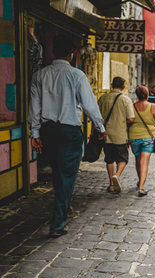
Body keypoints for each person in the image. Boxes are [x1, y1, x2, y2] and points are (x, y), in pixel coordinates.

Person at [28, 34, 105, 237]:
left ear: (53, 52)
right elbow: (89, 105)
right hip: (69, 131)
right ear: (71, 54)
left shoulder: (39, 75)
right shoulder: (76, 75)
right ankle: (58, 223)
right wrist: (100, 128)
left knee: (57, 172)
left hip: (48, 130)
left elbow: (34, 108)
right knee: (66, 175)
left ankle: (64, 207)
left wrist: (34, 133)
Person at [97, 76, 135, 194]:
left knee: (109, 159)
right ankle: (117, 175)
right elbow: (131, 118)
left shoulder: (102, 98)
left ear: (112, 85)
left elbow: (97, 116)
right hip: (120, 134)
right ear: (123, 87)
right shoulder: (125, 99)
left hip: (106, 134)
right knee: (123, 158)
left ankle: (111, 184)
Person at [129, 86, 155, 196]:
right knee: (144, 161)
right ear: (147, 95)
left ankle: (140, 180)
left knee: (138, 160)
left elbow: (129, 121)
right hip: (148, 138)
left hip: (134, 136)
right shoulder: (152, 106)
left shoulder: (132, 106)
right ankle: (141, 187)